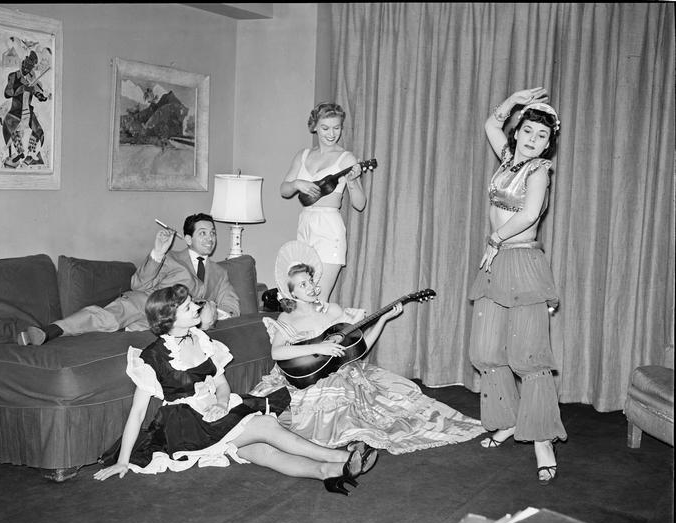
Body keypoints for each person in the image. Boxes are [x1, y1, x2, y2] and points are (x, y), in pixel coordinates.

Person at [93, 284, 377, 496]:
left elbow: (221, 383)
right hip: (186, 426)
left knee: (260, 451)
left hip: (216, 410)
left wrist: (221, 401)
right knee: (265, 425)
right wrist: (122, 461)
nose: (196, 308)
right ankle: (341, 457)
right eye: (188, 307)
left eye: (193, 303)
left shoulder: (201, 339)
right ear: (169, 318)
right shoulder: (152, 357)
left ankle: (327, 472)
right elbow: (137, 412)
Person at [250, 241, 486, 454]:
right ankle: (351, 441)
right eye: (303, 284)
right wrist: (320, 348)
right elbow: (277, 352)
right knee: (336, 393)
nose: (310, 286)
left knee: (398, 394)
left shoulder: (332, 311)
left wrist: (383, 320)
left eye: (310, 280)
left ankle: (360, 439)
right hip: (307, 379)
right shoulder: (287, 319)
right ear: (291, 293)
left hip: (344, 373)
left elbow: (359, 348)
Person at [467, 87, 567, 486]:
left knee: (529, 356)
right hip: (496, 264)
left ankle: (543, 440)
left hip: (522, 262)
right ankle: (508, 421)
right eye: (527, 130)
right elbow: (491, 124)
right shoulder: (508, 160)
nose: (533, 139)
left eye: (541, 136)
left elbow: (528, 214)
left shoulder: (539, 171)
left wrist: (494, 240)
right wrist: (514, 101)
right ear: (518, 131)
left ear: (547, 144)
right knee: (486, 350)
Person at [17, 213, 239, 346]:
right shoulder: (170, 257)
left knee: (136, 331)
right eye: (203, 233)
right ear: (188, 239)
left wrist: (207, 311)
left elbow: (232, 308)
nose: (210, 238)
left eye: (213, 233)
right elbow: (138, 285)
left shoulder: (219, 273)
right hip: (145, 303)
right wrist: (158, 253)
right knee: (109, 318)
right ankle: (50, 331)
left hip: (172, 323)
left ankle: (122, 334)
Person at [280, 102, 367, 301]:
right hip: (305, 224)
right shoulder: (303, 155)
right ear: (314, 127)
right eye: (325, 128)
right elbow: (284, 190)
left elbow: (360, 204)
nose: (331, 134)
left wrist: (352, 181)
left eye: (337, 128)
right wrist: (297, 184)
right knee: (301, 298)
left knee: (319, 298)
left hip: (329, 228)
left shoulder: (346, 158)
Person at [2, 51, 50, 168]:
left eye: (28, 69)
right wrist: (21, 89)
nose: (25, 70)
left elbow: (36, 92)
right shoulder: (13, 76)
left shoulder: (32, 78)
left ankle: (30, 155)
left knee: (39, 131)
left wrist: (41, 96)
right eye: (24, 66)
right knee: (12, 131)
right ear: (22, 63)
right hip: (16, 112)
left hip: (28, 112)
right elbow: (7, 93)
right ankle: (18, 155)